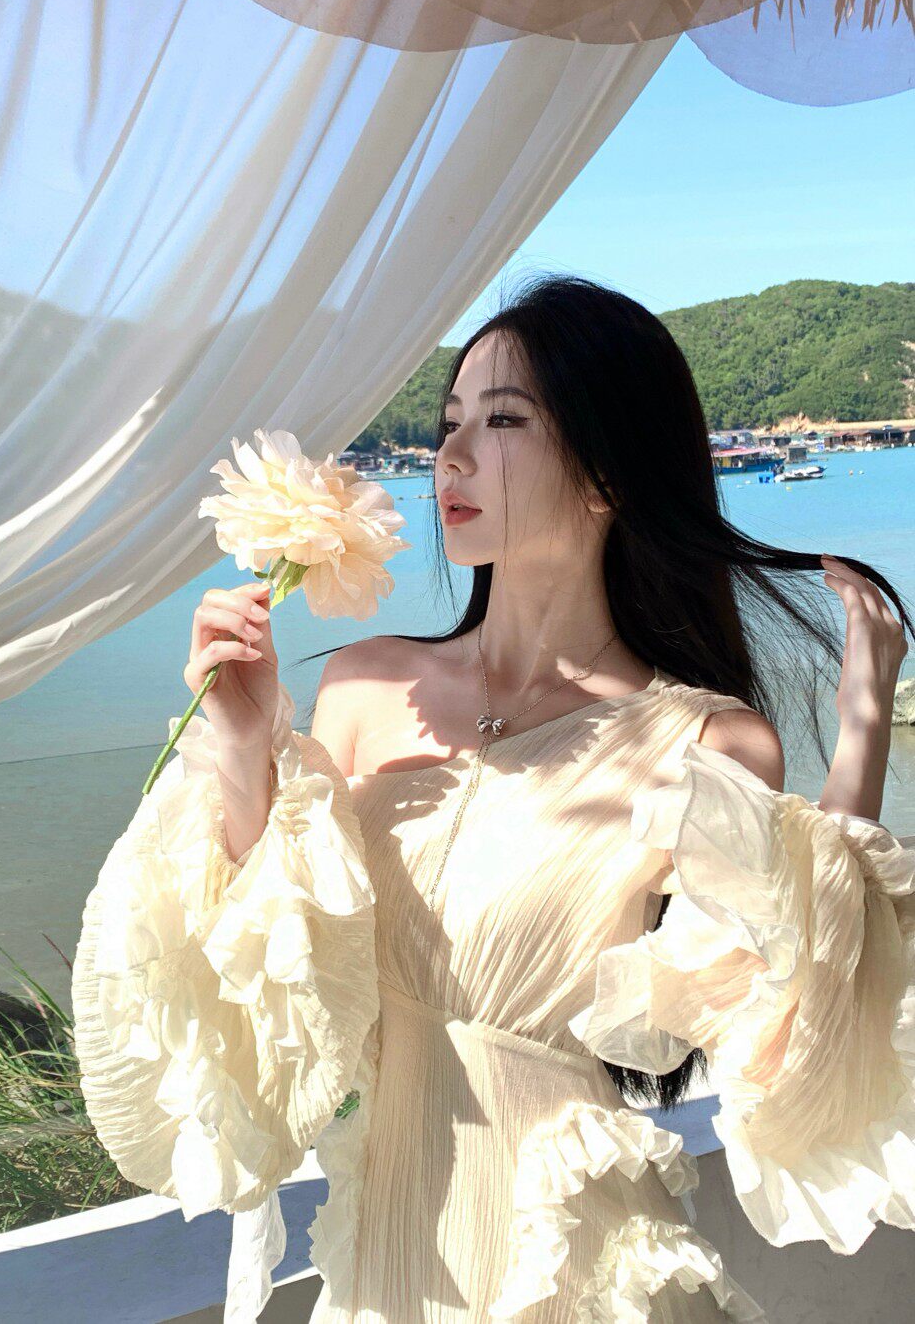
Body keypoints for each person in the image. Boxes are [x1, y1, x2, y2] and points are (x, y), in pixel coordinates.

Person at [71, 274, 915, 1322]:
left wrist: (863, 722)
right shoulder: (366, 685)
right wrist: (244, 746)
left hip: (576, 1264)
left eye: (503, 420)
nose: (451, 456)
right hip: (386, 1262)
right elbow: (268, 959)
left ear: (607, 471)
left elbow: (798, 1004)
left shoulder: (704, 740)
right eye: (450, 421)